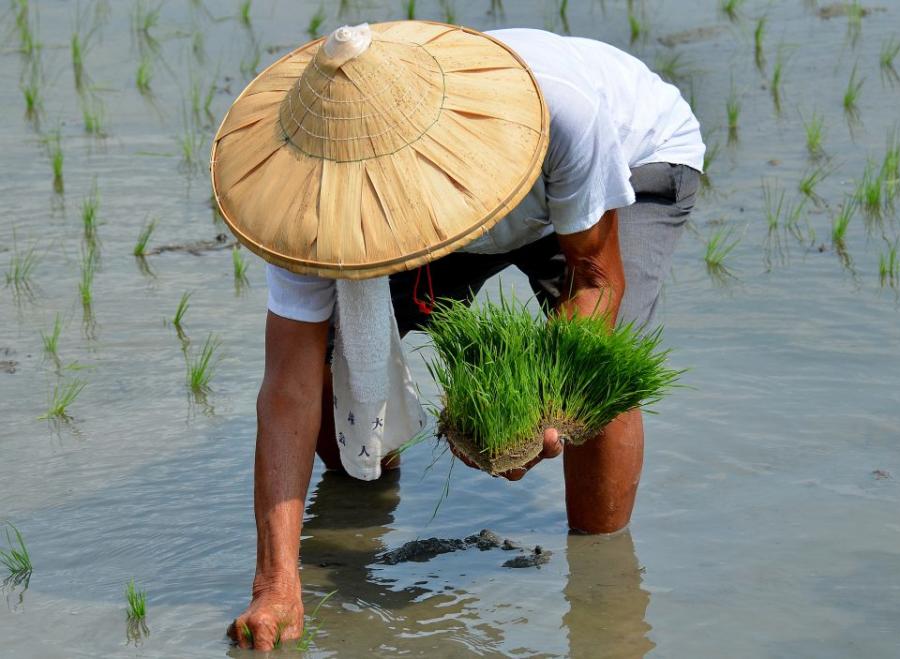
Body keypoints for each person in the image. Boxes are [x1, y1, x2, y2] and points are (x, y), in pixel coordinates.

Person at [213, 22, 702, 651]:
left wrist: (535, 410)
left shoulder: (564, 113)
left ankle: (604, 586)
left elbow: (597, 278)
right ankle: (361, 498)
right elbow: (289, 384)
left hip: (632, 163)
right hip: (449, 206)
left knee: (600, 377)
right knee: (338, 359)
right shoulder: (307, 194)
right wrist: (275, 581)